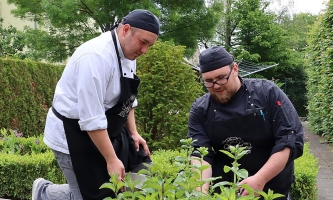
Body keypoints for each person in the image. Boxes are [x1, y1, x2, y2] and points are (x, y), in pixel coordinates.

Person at [32, 9, 160, 200]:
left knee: (139, 177)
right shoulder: (95, 57)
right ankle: (44, 193)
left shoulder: (128, 54)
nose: (144, 51)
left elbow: (127, 98)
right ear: (125, 30)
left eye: (149, 45)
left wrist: (133, 133)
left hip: (105, 129)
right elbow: (91, 118)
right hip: (72, 133)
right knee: (89, 195)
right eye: (143, 42)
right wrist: (111, 159)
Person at [187, 46, 304, 200]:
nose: (216, 85)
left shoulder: (267, 93)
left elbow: (288, 141)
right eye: (209, 81)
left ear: (235, 69)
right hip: (227, 194)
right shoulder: (200, 109)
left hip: (272, 190)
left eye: (222, 77)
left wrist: (260, 179)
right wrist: (200, 193)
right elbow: (201, 154)